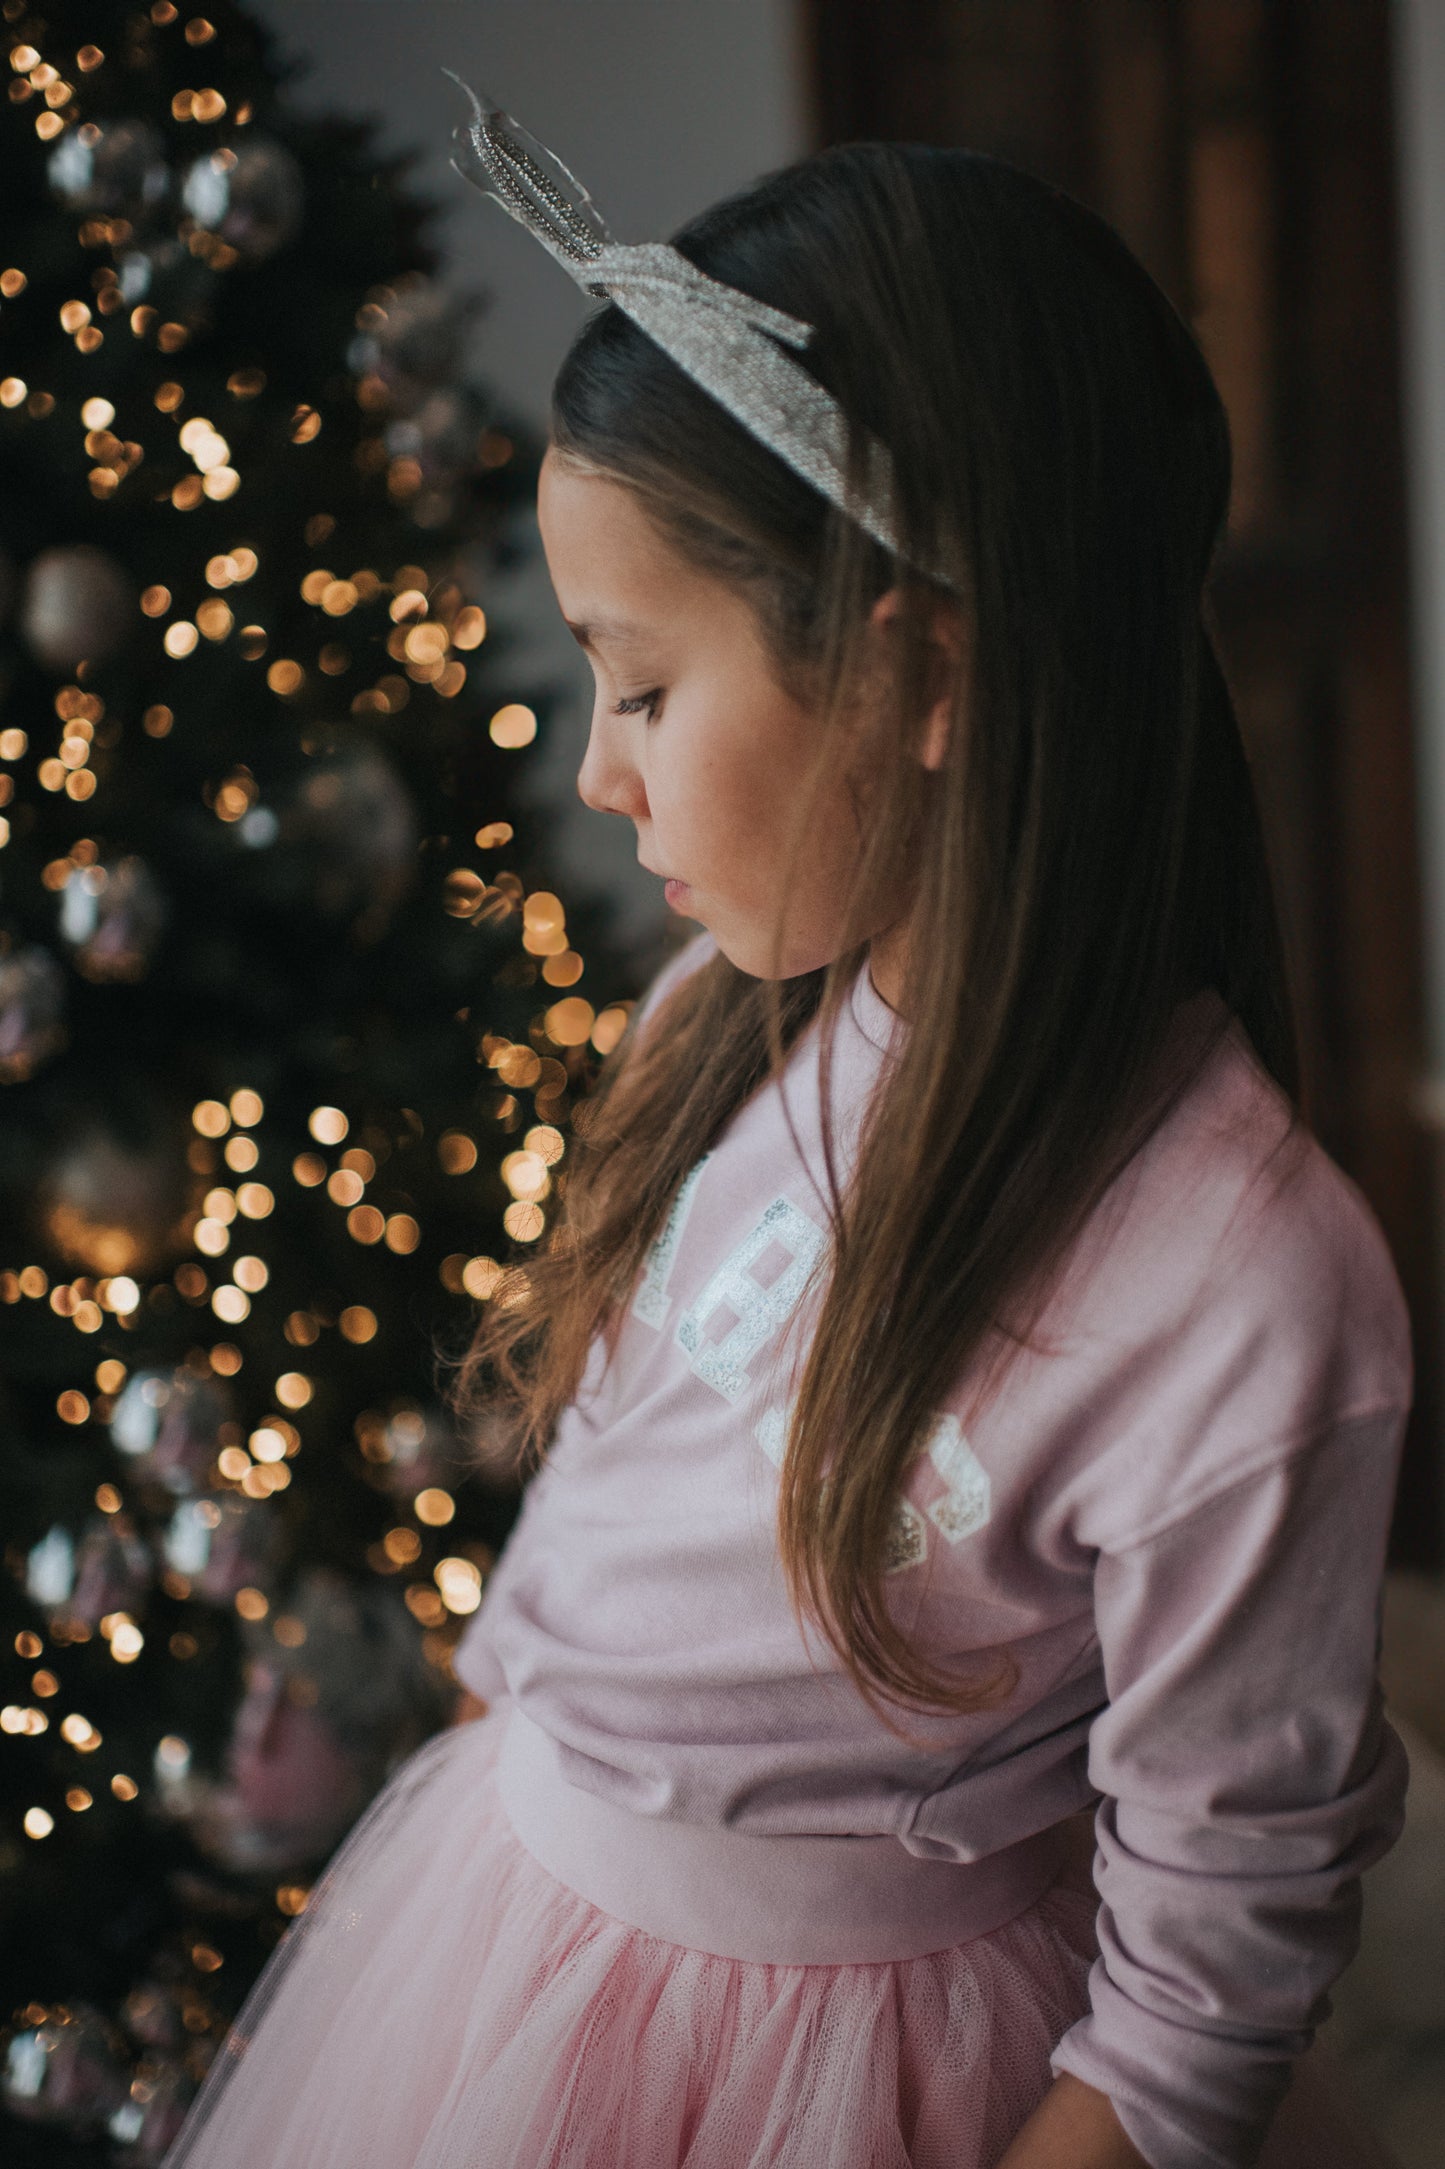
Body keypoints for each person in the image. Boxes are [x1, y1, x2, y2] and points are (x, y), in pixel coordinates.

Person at [162, 93, 1414, 2169]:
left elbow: (1214, 1963)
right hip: (520, 1933)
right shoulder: (723, 1027)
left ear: (925, 669)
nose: (599, 771)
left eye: (644, 687)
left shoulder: (1252, 1294)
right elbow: (604, 1495)